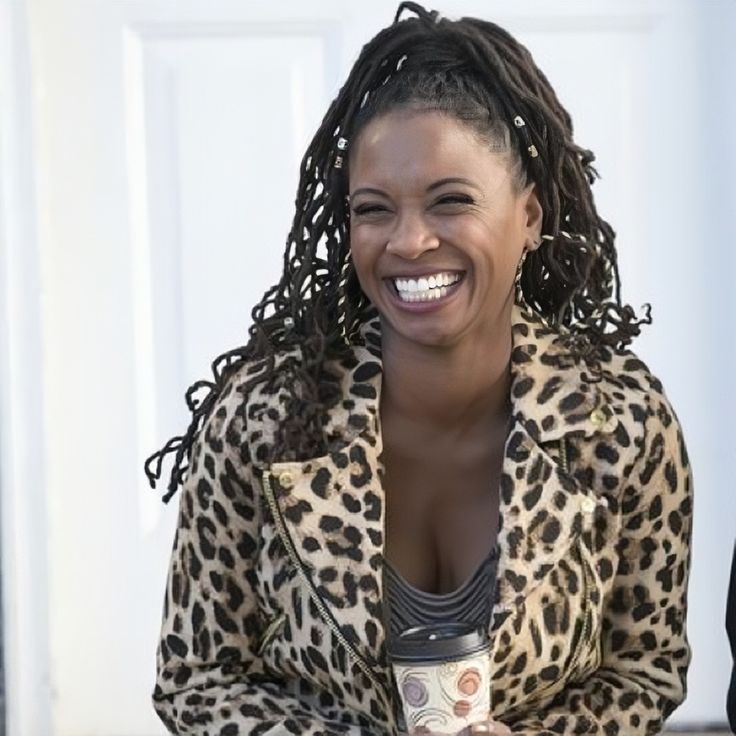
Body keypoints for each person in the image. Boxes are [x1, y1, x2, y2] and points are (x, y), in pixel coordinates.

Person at [145, 3, 693, 734]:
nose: (408, 242)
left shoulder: (620, 421)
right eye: (373, 209)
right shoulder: (266, 417)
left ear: (528, 216)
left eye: (450, 202)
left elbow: (643, 669)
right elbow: (197, 679)